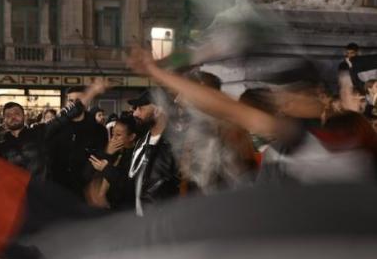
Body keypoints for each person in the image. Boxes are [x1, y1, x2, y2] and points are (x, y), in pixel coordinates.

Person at [127, 44, 375, 184]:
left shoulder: (304, 140)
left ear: (312, 94)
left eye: (289, 92)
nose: (282, 100)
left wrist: (158, 73)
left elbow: (225, 107)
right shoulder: (353, 138)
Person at [44, 84, 109, 199]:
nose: (74, 104)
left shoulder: (98, 130)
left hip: (85, 191)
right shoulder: (58, 127)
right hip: (58, 188)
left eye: (78, 101)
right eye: (71, 101)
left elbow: (101, 158)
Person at [125, 89, 180, 215]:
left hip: (163, 225)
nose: (135, 113)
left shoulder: (175, 145)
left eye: (141, 108)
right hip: (140, 223)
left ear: (158, 110)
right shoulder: (142, 141)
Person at [85, 115, 138, 210]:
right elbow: (88, 171)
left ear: (131, 137)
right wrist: (107, 153)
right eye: (112, 134)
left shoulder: (137, 155)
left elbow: (128, 187)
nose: (113, 139)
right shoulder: (110, 150)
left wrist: (107, 169)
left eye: (118, 135)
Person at [0, 102, 48, 180]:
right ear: (4, 120)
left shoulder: (38, 134)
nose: (13, 117)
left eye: (17, 113)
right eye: (8, 115)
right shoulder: (0, 147)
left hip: (39, 189)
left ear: (24, 116)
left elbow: (57, 123)